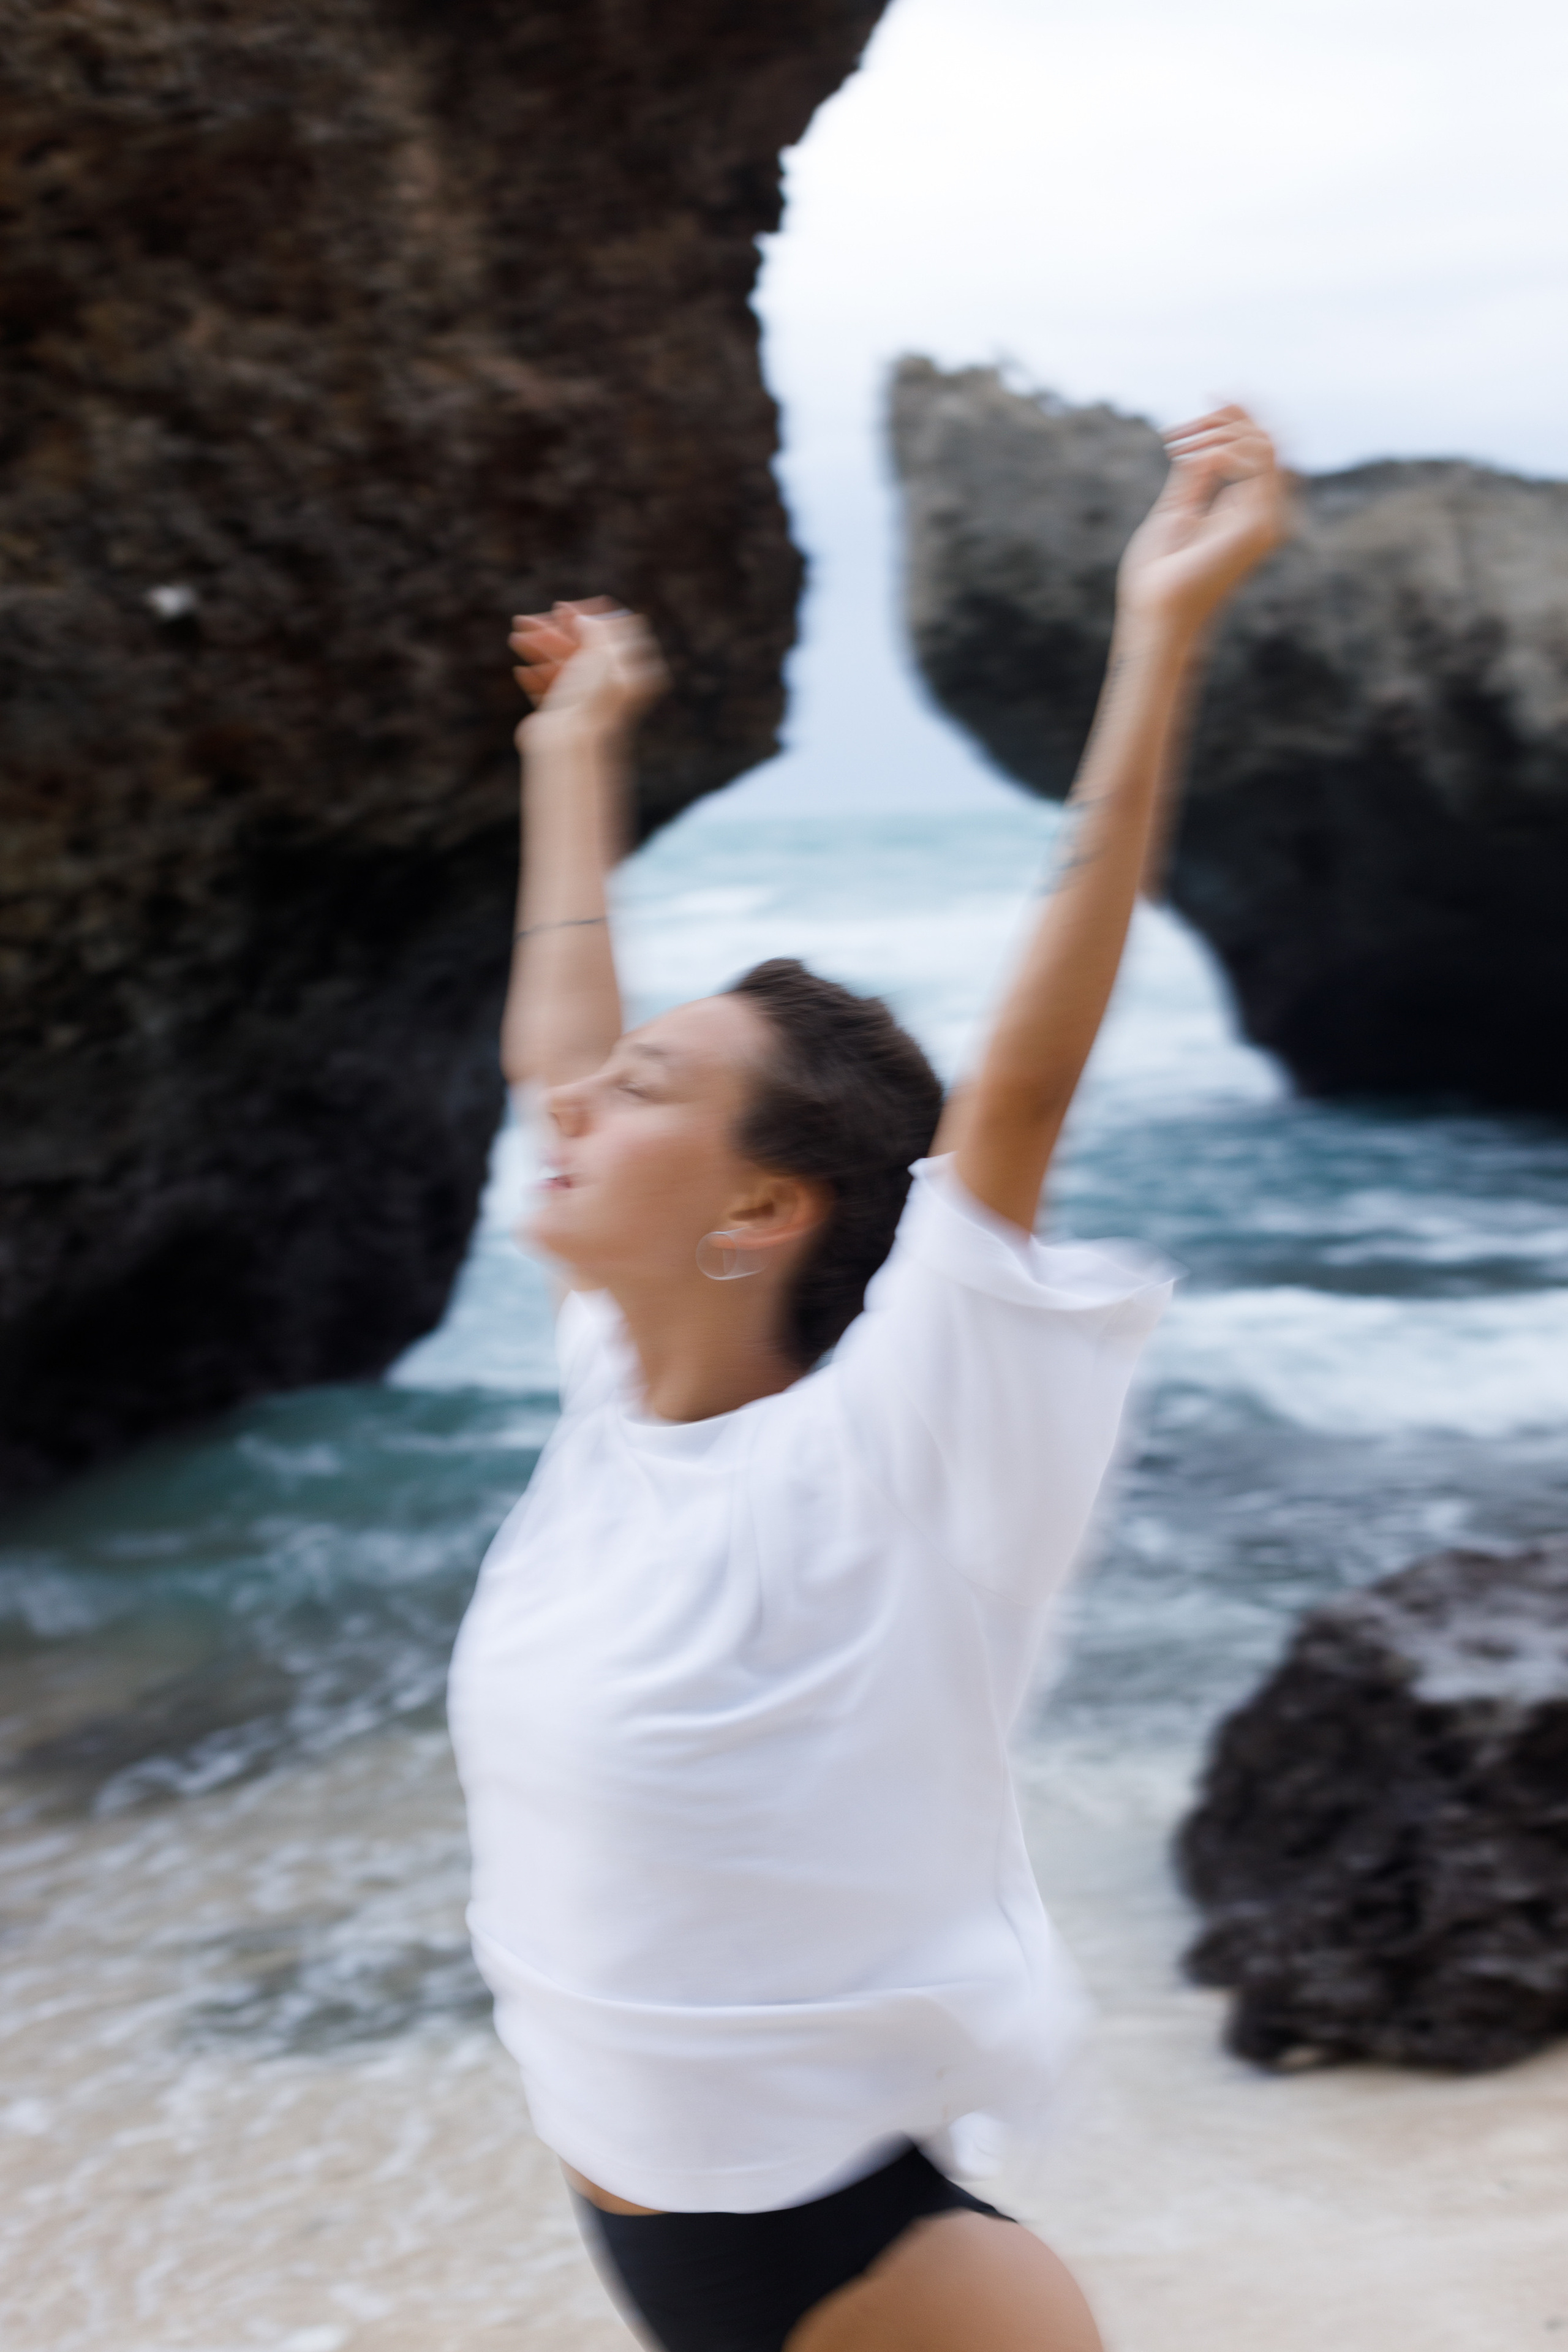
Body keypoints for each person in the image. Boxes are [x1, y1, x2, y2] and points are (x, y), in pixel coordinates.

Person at [447, 406, 1288, 2351]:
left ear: (763, 1208)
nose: (578, 1102)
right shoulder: (621, 1398)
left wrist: (1157, 633)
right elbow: (553, 1049)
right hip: (670, 2243)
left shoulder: (901, 1441)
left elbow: (1023, 1081)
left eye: (647, 1092)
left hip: (867, 2281)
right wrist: (572, 756)